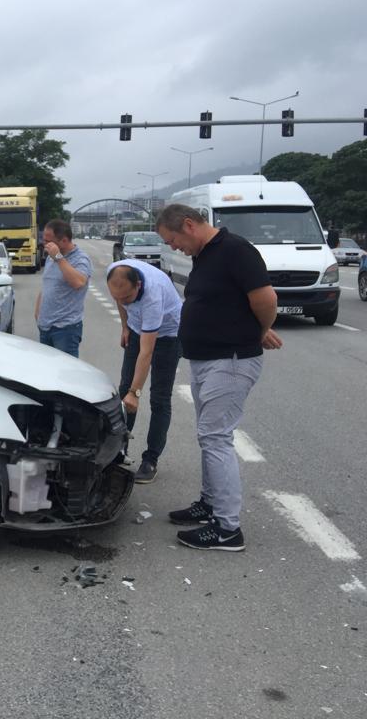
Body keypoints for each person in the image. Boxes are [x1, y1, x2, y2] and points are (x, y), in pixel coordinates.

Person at [156, 204, 282, 551]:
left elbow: (266, 299)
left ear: (188, 225)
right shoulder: (207, 255)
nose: (173, 248)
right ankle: (209, 504)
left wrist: (259, 330)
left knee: (215, 437)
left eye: (173, 240)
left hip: (231, 360)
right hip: (207, 359)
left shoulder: (236, 250)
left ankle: (227, 529)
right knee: (207, 436)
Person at [106, 260, 183, 484]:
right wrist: (125, 327)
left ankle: (150, 460)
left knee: (159, 398)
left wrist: (136, 393)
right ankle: (118, 453)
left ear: (138, 286)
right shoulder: (116, 276)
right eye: (117, 297)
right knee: (123, 393)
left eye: (127, 298)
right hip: (139, 328)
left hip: (169, 335)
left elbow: (146, 353)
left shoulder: (152, 296)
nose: (122, 301)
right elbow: (120, 300)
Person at [34, 219, 91, 357]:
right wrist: (38, 313)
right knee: (47, 372)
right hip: (45, 326)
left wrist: (59, 258)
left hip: (65, 329)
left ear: (64, 241)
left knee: (65, 374)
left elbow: (78, 282)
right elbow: (47, 285)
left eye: (48, 241)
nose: (44, 243)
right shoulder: (50, 257)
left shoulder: (81, 259)